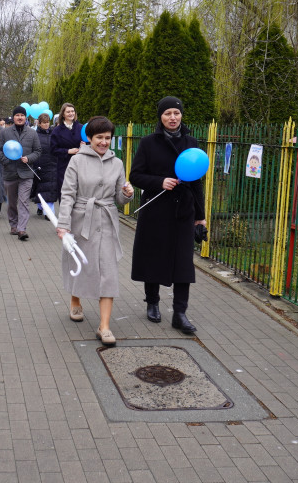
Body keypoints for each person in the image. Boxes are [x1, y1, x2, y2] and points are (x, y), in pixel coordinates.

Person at [129, 96, 207, 334]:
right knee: (154, 256)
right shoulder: (148, 143)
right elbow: (135, 176)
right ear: (160, 117)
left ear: (182, 115)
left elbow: (196, 182)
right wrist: (160, 181)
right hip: (156, 209)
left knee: (183, 261)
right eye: (167, 114)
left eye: (176, 113)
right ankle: (152, 301)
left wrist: (200, 216)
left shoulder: (191, 141)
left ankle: (180, 313)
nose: (173, 118)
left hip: (183, 210)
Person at [56, 116, 135, 346]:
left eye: (107, 138)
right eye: (99, 137)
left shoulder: (117, 163)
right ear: (89, 138)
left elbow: (120, 199)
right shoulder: (77, 161)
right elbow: (68, 194)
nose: (103, 142)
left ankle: (105, 326)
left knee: (108, 271)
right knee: (80, 264)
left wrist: (127, 193)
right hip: (82, 220)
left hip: (107, 221)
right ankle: (75, 301)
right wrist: (63, 225)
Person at [0, 106, 42, 241]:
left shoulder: (32, 133)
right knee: (12, 203)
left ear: (26, 117)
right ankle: (13, 224)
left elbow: (38, 151)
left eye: (22, 115)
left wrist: (29, 158)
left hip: (26, 173)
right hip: (10, 173)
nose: (20, 117)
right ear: (13, 117)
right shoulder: (5, 133)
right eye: (17, 115)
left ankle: (22, 229)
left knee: (24, 201)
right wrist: (7, 161)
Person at [50, 103, 83, 206]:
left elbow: (90, 143)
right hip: (64, 166)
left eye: (72, 111)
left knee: (80, 194)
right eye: (68, 111)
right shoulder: (57, 131)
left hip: (80, 166)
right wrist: (68, 151)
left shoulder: (81, 128)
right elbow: (53, 149)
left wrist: (84, 146)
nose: (71, 113)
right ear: (63, 114)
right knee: (65, 194)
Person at [33, 112, 58, 218]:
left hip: (53, 164)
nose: (46, 125)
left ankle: (49, 213)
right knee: (40, 188)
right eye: (44, 123)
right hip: (40, 165)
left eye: (47, 122)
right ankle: (40, 206)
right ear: (39, 123)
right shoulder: (35, 135)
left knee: (51, 188)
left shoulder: (54, 134)